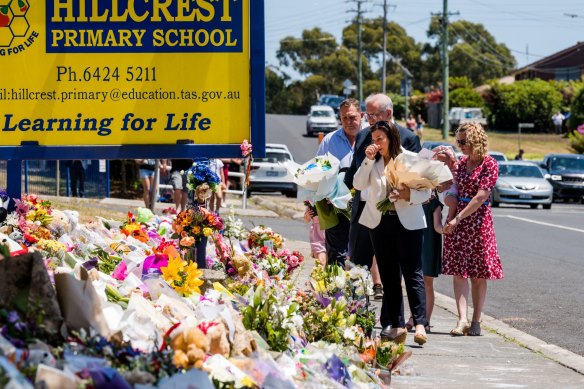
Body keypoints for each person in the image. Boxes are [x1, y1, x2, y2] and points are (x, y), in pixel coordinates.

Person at [353, 120, 430, 346]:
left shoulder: (410, 158)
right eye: (373, 140)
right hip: (380, 223)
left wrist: (408, 195)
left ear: (391, 138)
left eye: (380, 139)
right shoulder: (372, 162)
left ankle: (420, 324)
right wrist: (367, 160)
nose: (376, 144)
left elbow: (426, 193)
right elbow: (358, 184)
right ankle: (393, 324)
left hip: (409, 224)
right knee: (389, 276)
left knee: (413, 273)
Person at [345, 93, 422, 299]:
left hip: (392, 213)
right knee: (357, 266)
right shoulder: (363, 136)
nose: (368, 120)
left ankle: (392, 319)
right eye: (366, 115)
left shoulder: (409, 138)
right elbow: (354, 173)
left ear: (388, 113)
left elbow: (417, 180)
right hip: (363, 210)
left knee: (390, 269)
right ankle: (356, 315)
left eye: (373, 115)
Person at [442, 122, 504, 337]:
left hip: (478, 223)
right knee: (459, 273)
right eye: (458, 141)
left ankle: (476, 320)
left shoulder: (490, 164)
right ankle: (461, 319)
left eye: (463, 141)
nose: (460, 146)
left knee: (478, 274)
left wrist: (458, 217)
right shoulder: (460, 163)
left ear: (475, 141)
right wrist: (450, 217)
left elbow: (480, 197)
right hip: (458, 222)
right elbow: (453, 191)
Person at [316, 98, 363, 267]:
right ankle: (336, 291)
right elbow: (319, 171)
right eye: (344, 118)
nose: (348, 122)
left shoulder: (371, 137)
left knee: (361, 253)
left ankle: (360, 290)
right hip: (335, 206)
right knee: (336, 254)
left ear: (361, 115)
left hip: (364, 205)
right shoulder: (329, 141)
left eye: (352, 117)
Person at [304, 202, 327, 266]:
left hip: (328, 231)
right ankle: (320, 273)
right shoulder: (311, 201)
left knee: (326, 261)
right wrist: (308, 215)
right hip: (317, 234)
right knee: (320, 260)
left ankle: (322, 274)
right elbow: (306, 220)